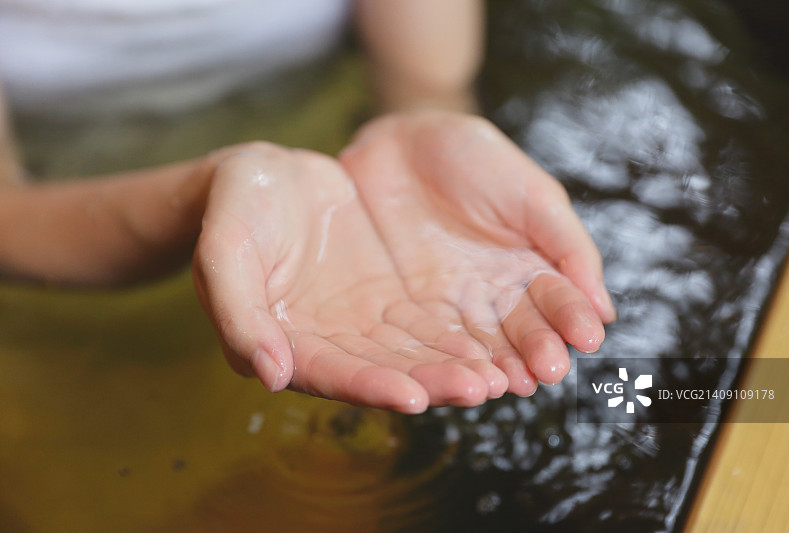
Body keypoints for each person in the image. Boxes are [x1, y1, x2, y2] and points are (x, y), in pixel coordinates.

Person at [0, 0, 616, 413]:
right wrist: (197, 196)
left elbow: (426, 85)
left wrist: (427, 148)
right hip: (68, 259)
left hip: (326, 210)